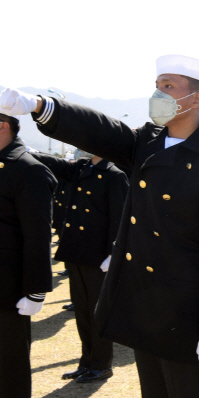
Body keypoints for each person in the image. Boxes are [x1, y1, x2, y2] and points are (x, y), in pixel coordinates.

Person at [0, 54, 199, 398]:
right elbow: (102, 130)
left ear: (196, 99)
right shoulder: (147, 143)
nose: (158, 95)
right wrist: (42, 105)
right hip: (145, 305)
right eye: (157, 86)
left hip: (188, 312)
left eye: (168, 86)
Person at [32, 149, 128, 382]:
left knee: (97, 312)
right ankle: (86, 361)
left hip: (98, 257)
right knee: (82, 311)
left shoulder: (115, 175)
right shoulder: (83, 168)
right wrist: (25, 151)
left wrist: (113, 253)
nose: (82, 146)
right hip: (77, 252)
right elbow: (55, 163)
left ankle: (102, 364)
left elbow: (120, 218)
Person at [0, 112, 56, 398]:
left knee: (9, 368)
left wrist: (36, 291)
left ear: (3, 126)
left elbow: (38, 236)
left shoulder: (28, 169)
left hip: (8, 289)